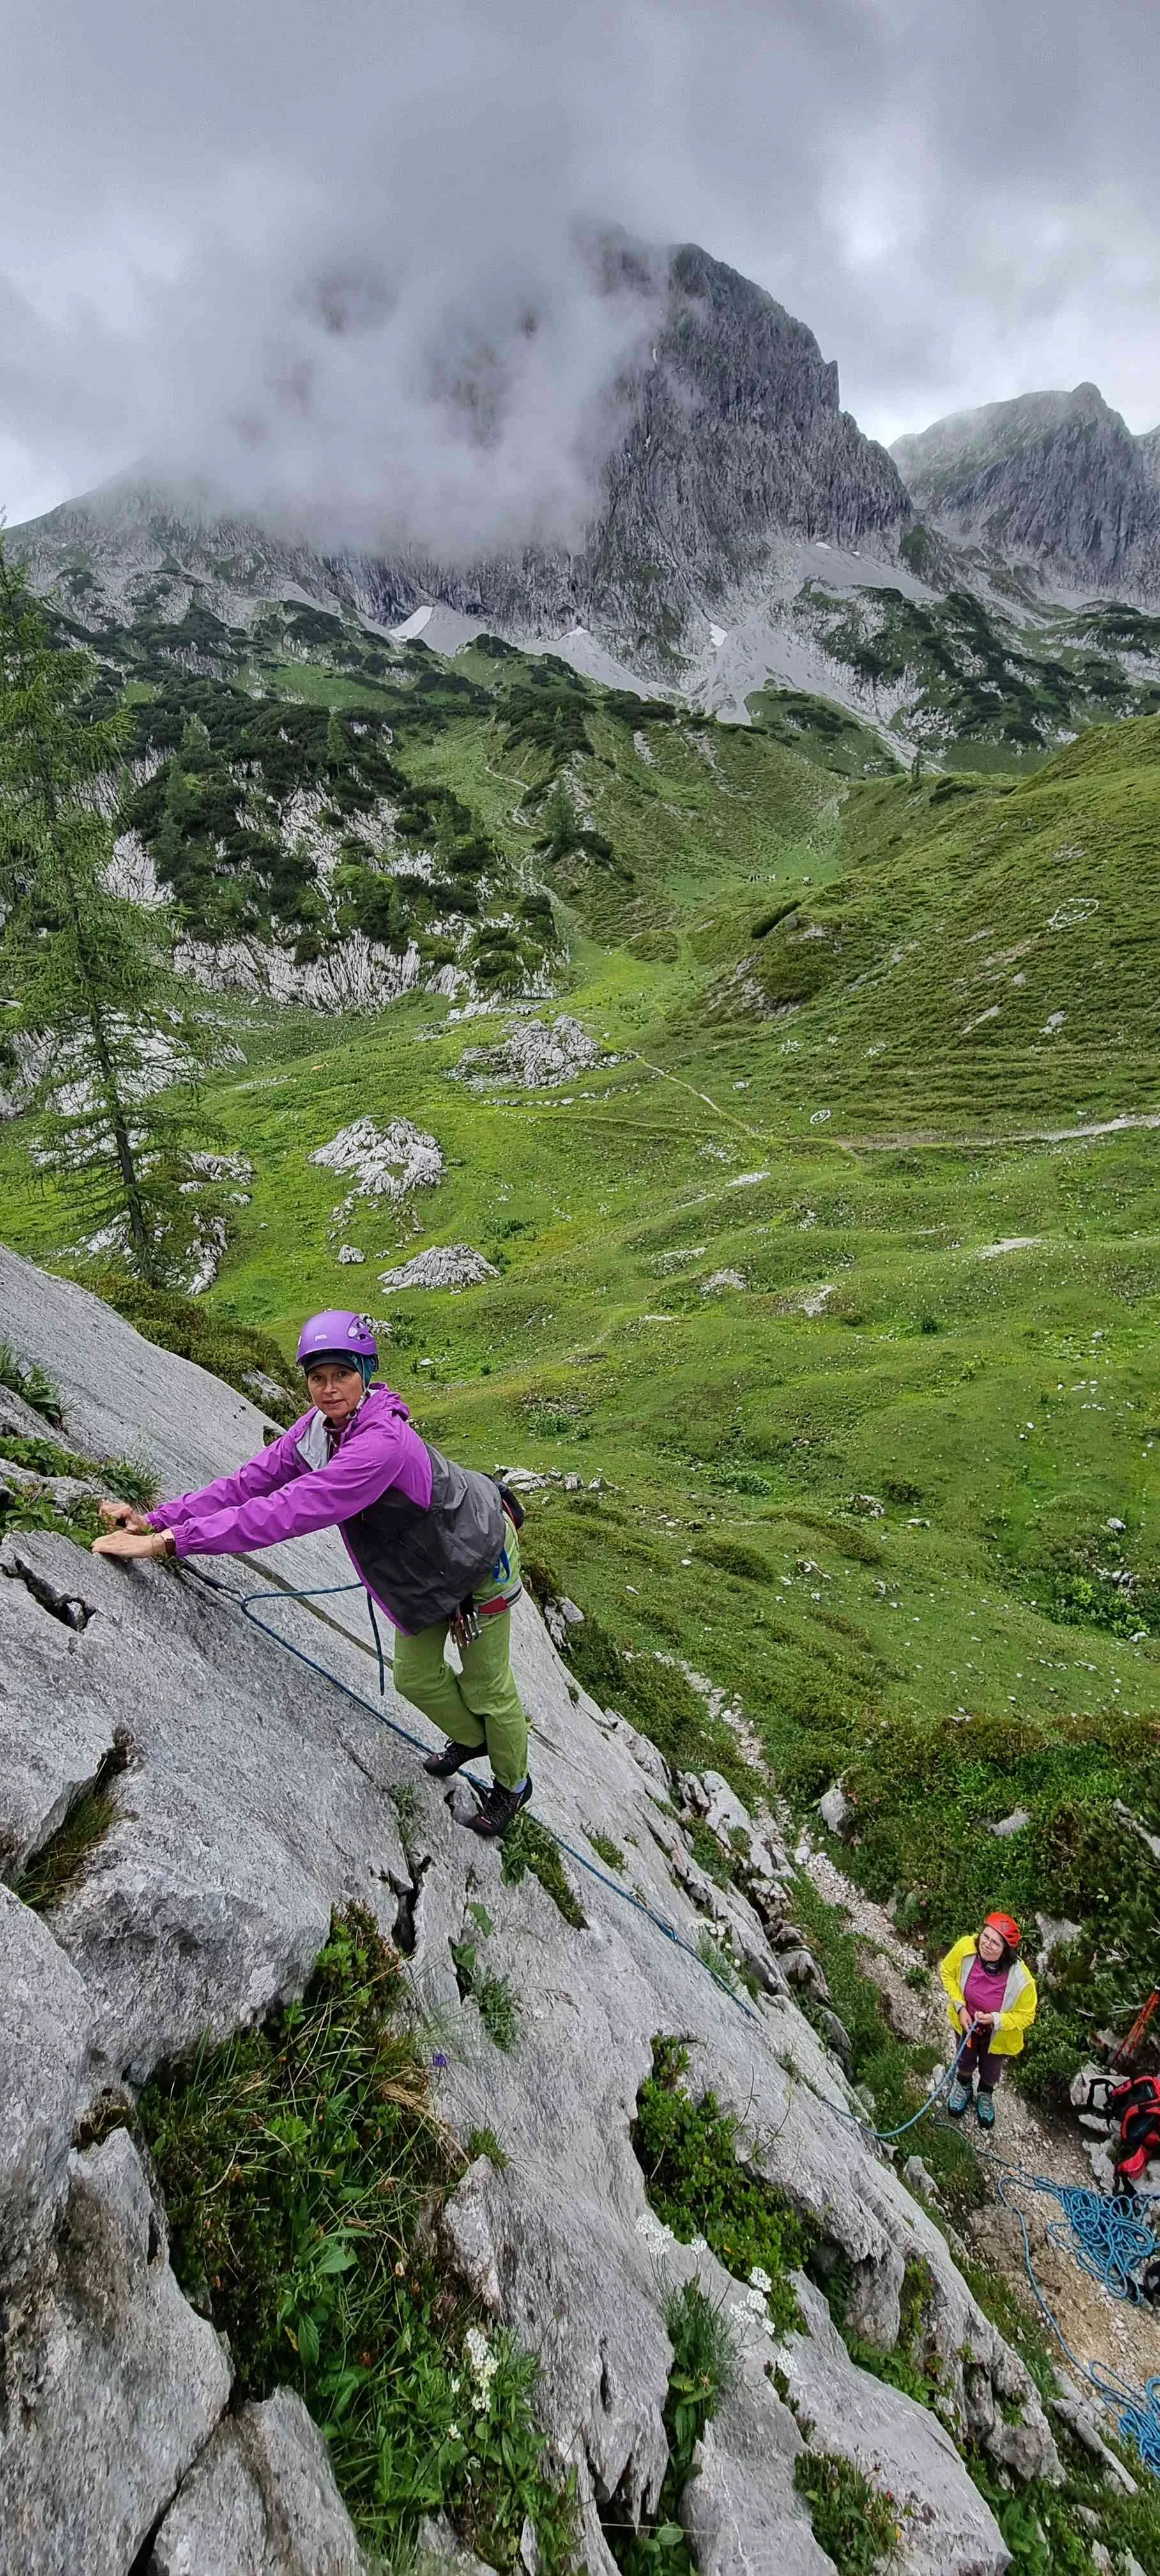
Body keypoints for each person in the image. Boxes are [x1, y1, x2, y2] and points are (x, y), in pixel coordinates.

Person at [91, 1310, 533, 1839]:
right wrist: (158, 1518)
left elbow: (289, 1510)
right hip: (425, 1569)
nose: (328, 1390)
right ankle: (475, 1739)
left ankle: (513, 1784)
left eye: (341, 1375)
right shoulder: (320, 1431)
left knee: (488, 1688)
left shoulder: (380, 1445)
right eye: (316, 1377)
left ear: (365, 1374)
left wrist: (171, 1544)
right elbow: (248, 1484)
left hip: (479, 1554)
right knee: (415, 1678)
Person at [938, 1913, 1037, 2127]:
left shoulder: (1022, 1980)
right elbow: (947, 1971)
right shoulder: (966, 1949)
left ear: (1006, 1951)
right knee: (964, 2058)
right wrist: (960, 2007)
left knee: (991, 2068)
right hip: (967, 2023)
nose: (987, 1944)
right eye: (985, 1937)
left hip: (997, 2034)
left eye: (995, 1942)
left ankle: (985, 2093)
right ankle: (964, 2085)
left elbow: (1027, 2015)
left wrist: (995, 2019)